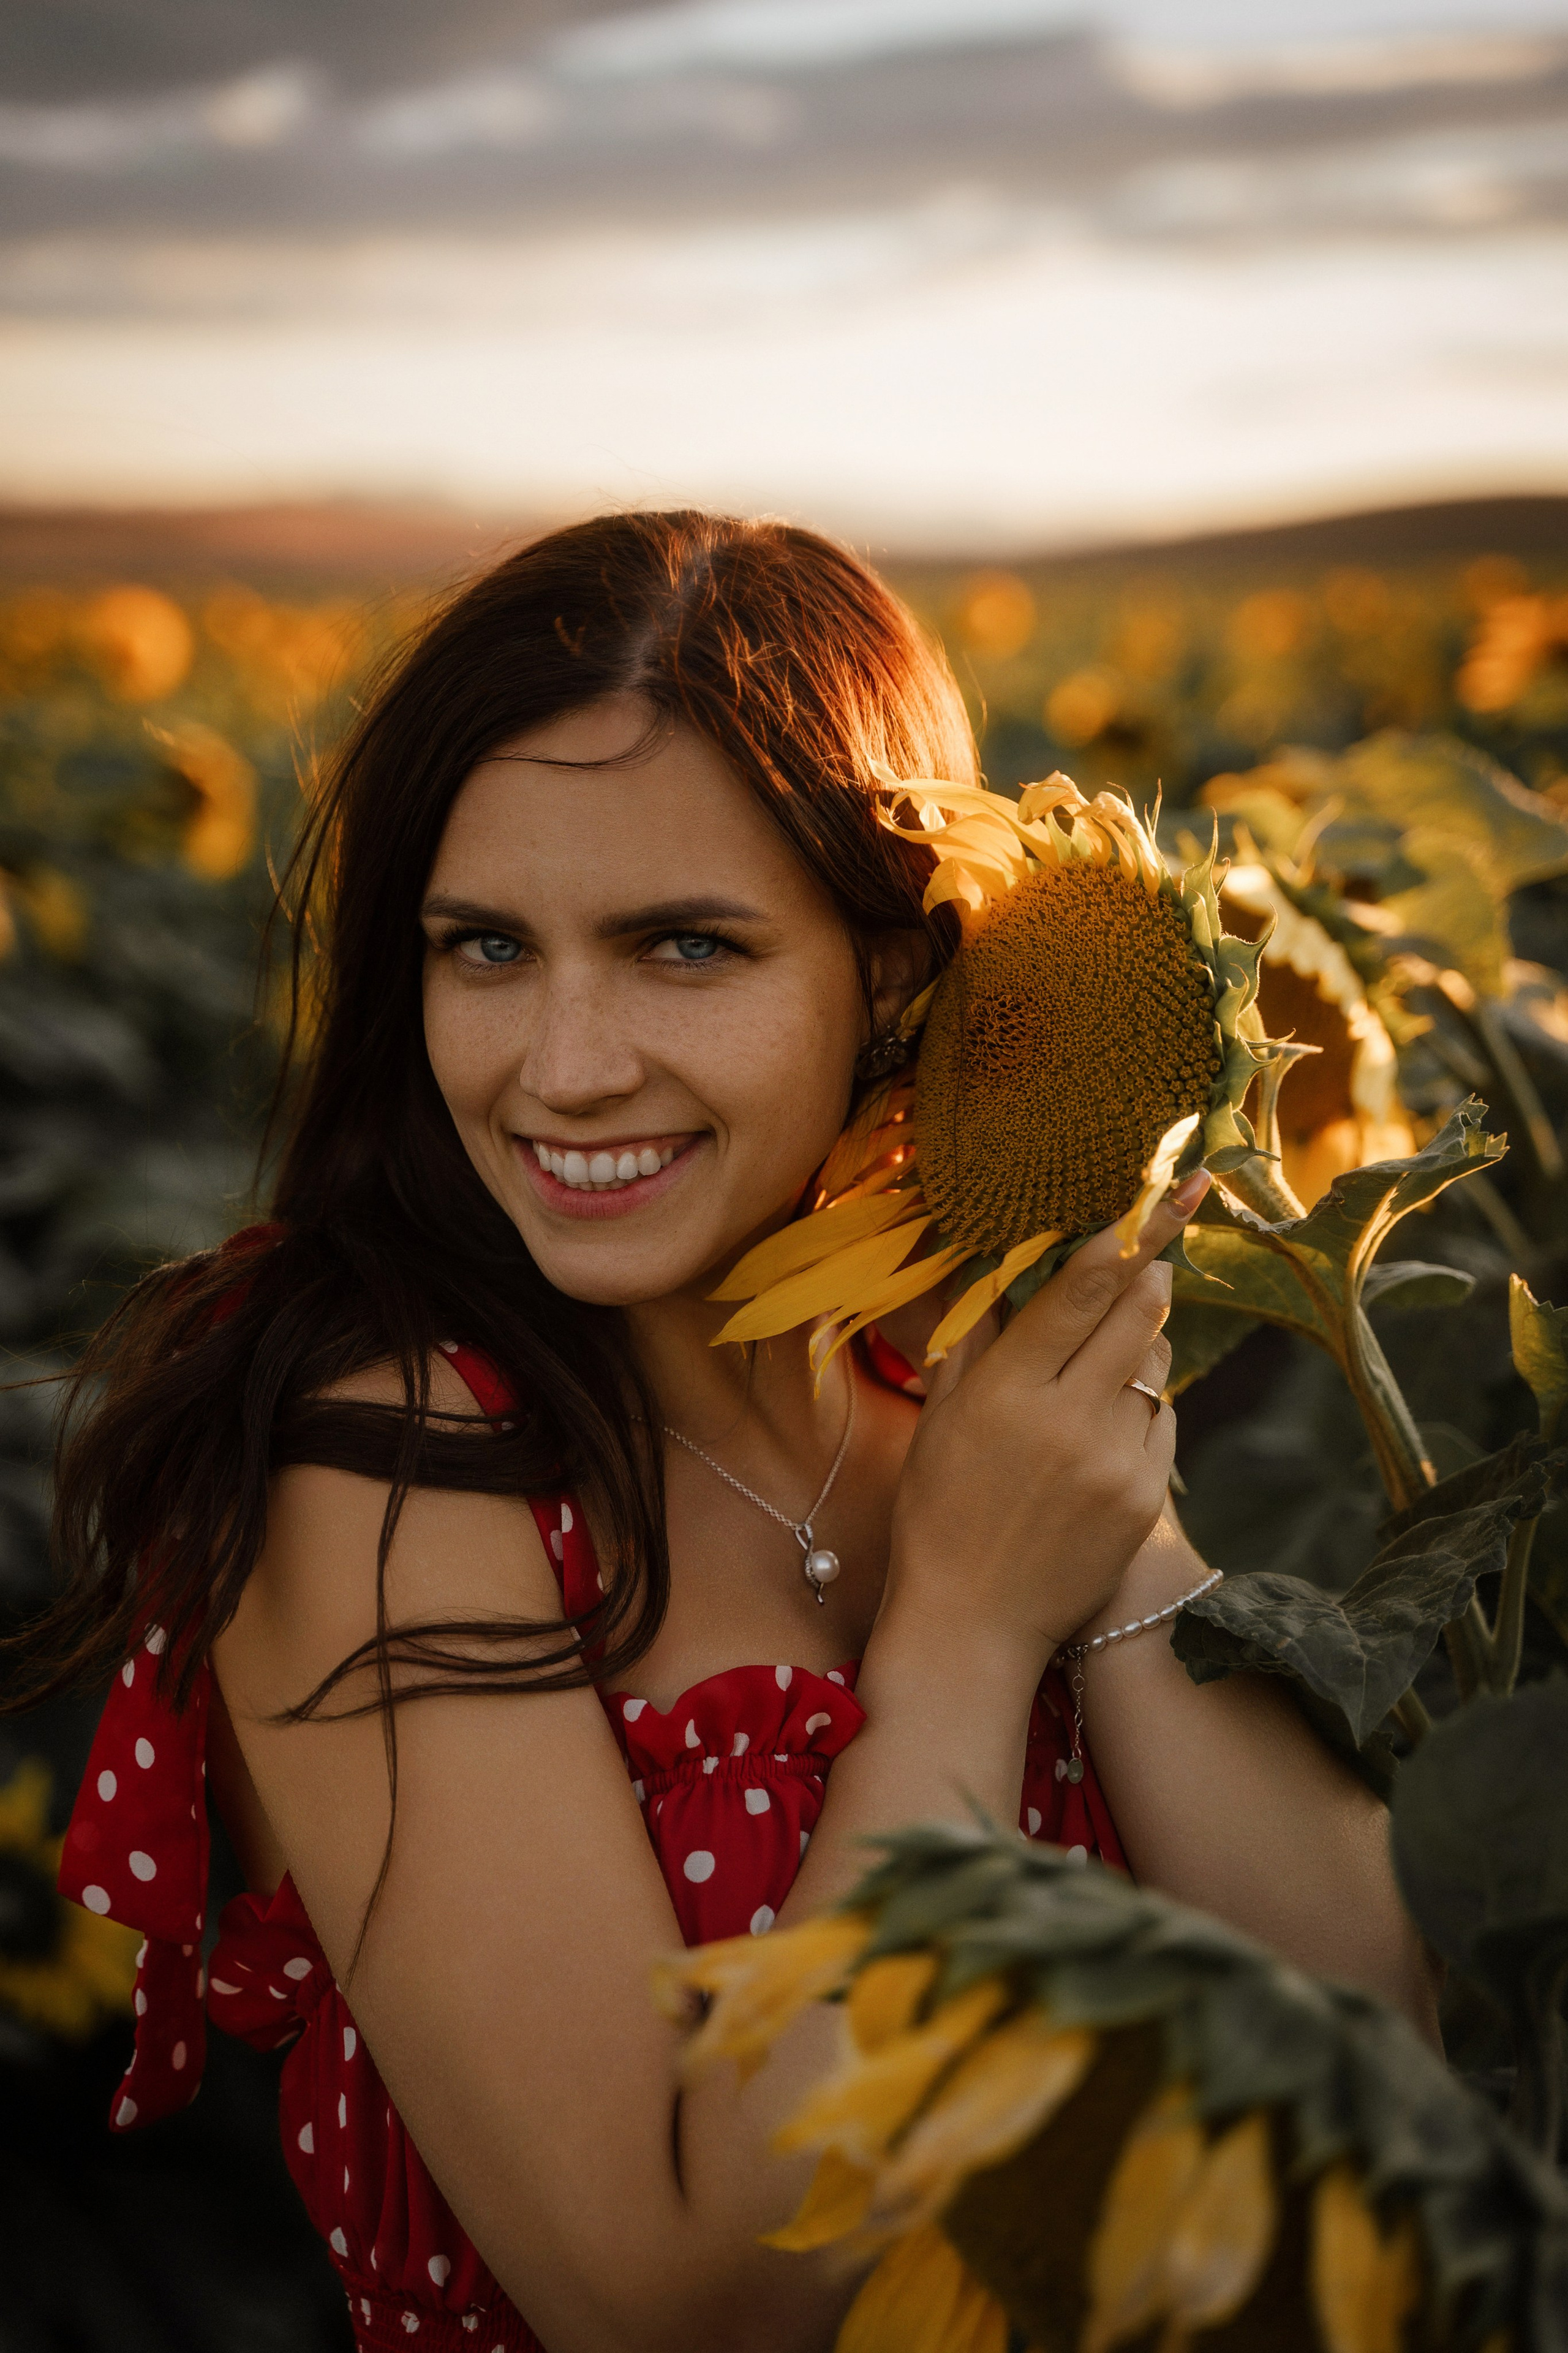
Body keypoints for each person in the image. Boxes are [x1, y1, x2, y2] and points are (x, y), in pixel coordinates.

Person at [10, 513, 1435, 2353]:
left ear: (901, 975)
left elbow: (1376, 2047)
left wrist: (1107, 1521)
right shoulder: (384, 1464)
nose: (567, 1060)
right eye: (487, 946)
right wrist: (966, 1633)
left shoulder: (938, 1382)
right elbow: (677, 2292)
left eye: (685, 945)